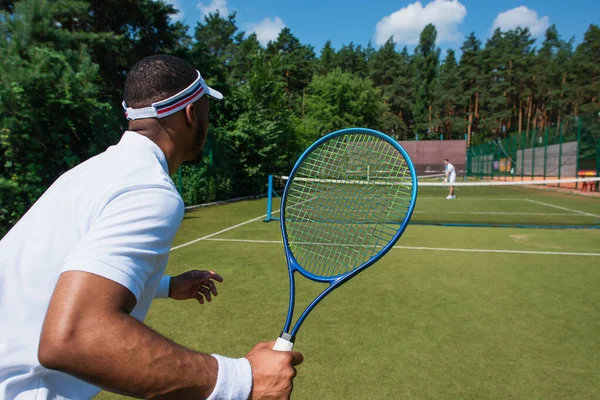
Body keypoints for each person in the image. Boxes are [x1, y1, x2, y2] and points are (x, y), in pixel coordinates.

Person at [0, 55, 303, 399]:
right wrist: (242, 381)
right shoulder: (150, 190)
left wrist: (163, 286)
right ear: (191, 114)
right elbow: (74, 337)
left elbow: (56, 270)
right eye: (206, 109)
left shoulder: (87, 173)